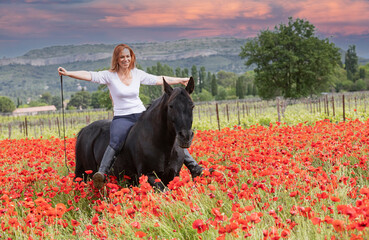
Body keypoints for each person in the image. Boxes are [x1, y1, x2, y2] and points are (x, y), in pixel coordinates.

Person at [58, 43, 203, 189]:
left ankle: (194, 166)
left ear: (131, 58)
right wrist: (68, 73)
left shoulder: (137, 74)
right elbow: (89, 75)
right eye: (122, 57)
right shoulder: (109, 76)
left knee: (168, 134)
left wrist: (179, 80)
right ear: (117, 59)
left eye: (128, 56)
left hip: (141, 114)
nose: (125, 60)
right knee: (116, 139)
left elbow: (158, 79)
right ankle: (102, 173)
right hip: (123, 117)